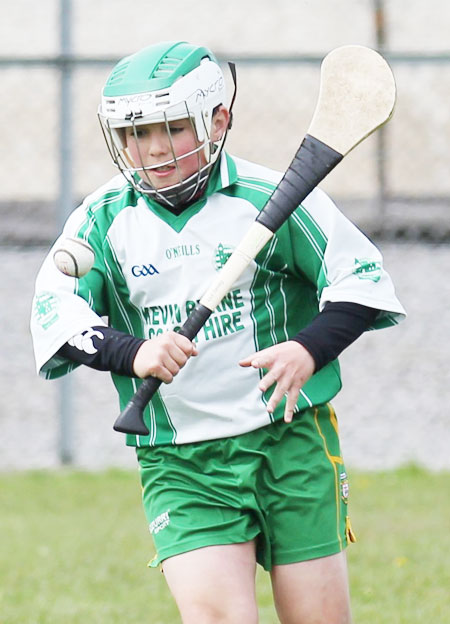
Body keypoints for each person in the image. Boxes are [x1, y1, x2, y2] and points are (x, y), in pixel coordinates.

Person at [31, 41, 406, 624]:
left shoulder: (272, 198)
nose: (153, 150)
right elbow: (57, 316)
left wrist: (310, 349)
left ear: (218, 121)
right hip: (181, 461)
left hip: (290, 440)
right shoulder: (100, 220)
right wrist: (134, 353)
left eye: (172, 128)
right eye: (135, 134)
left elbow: (361, 279)